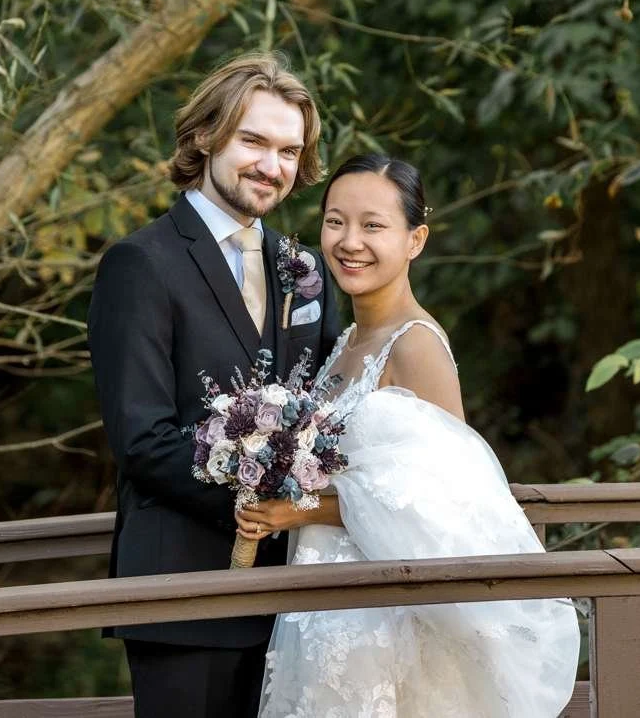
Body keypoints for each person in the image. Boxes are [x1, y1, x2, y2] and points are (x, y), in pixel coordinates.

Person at [234, 154, 579, 716]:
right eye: (336, 221)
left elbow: (446, 502)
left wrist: (304, 511)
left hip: (381, 615)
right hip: (324, 604)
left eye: (374, 226)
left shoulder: (415, 346)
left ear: (415, 239)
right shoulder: (345, 342)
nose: (350, 242)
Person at [88, 54, 342, 717]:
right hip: (181, 592)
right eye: (253, 141)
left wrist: (301, 508)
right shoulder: (141, 264)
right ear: (204, 136)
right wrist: (252, 501)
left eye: (289, 150)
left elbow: (328, 409)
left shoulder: (304, 269)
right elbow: (141, 437)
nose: (272, 165)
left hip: (296, 599)